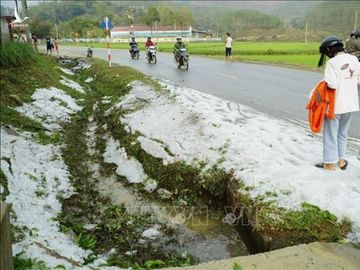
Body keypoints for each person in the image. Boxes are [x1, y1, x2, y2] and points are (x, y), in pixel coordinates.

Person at [315, 36, 360, 170]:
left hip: (335, 105)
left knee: (330, 133)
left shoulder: (332, 63)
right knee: (342, 133)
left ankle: (329, 163)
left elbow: (332, 85)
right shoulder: (354, 59)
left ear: (329, 49)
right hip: (351, 104)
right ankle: (341, 161)